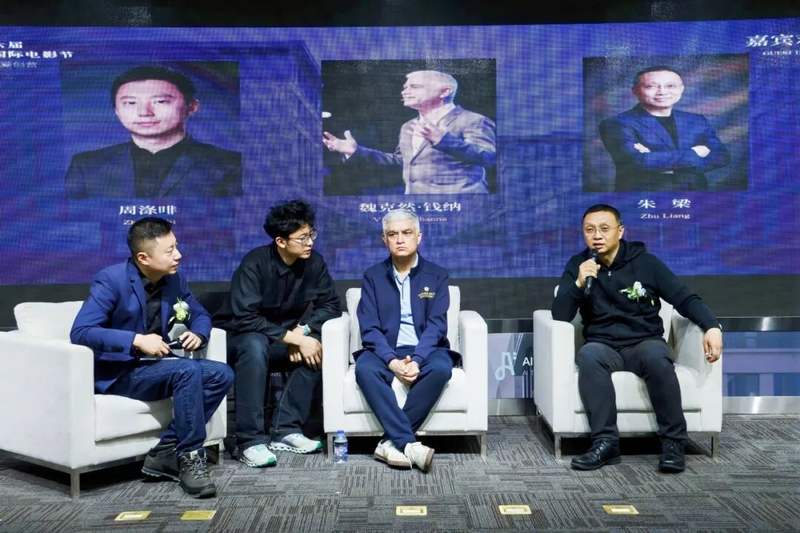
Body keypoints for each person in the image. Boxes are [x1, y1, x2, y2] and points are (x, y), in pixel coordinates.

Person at [552, 204, 723, 473]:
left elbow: (684, 297)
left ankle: (673, 443)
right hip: (603, 345)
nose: (597, 235)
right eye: (590, 230)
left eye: (604, 229)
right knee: (589, 356)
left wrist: (711, 326)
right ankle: (605, 443)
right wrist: (578, 284)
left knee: (657, 357)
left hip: (644, 341)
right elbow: (560, 315)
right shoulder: (579, 265)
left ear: (620, 231)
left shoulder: (646, 263)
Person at [70, 217, 234, 498]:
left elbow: (199, 313)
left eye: (176, 246)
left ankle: (164, 451)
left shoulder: (174, 279)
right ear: (143, 258)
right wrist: (136, 340)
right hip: (120, 372)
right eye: (170, 251)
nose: (178, 255)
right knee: (187, 370)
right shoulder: (111, 280)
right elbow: (81, 331)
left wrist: (199, 333)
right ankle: (190, 456)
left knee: (222, 373)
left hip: (157, 367)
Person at [215, 200, 341, 468]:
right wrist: (294, 338)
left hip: (280, 339)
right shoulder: (255, 263)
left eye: (311, 234)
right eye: (302, 238)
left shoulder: (315, 262)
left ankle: (285, 428)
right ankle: (249, 441)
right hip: (238, 339)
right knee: (254, 344)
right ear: (281, 241)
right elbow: (246, 318)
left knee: (317, 347)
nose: (310, 242)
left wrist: (303, 332)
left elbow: (330, 304)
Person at [354, 208, 459, 471]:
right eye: (392, 234)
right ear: (384, 239)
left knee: (441, 368)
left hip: (426, 349)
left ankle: (390, 442)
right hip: (385, 349)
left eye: (406, 232)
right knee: (365, 369)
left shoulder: (437, 275)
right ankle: (409, 444)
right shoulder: (372, 276)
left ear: (418, 237)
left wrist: (418, 360)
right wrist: (391, 361)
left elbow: (436, 326)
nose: (400, 239)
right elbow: (370, 328)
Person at [65, 65, 241, 198]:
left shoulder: (231, 164)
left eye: (160, 101)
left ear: (192, 107)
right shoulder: (86, 165)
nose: (144, 112)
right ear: (116, 111)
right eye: (130, 103)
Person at [323, 70, 496, 194]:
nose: (404, 91)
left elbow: (488, 158)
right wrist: (356, 151)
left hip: (462, 203)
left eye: (414, 86)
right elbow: (402, 161)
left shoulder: (473, 120)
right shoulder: (408, 126)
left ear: (445, 91)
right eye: (405, 87)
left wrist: (443, 140)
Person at [599, 66, 730, 191]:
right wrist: (696, 153)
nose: (662, 92)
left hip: (696, 195)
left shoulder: (696, 120)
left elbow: (721, 157)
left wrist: (661, 162)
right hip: (644, 197)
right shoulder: (616, 123)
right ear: (635, 91)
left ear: (681, 89)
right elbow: (638, 161)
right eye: (650, 86)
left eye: (670, 86)